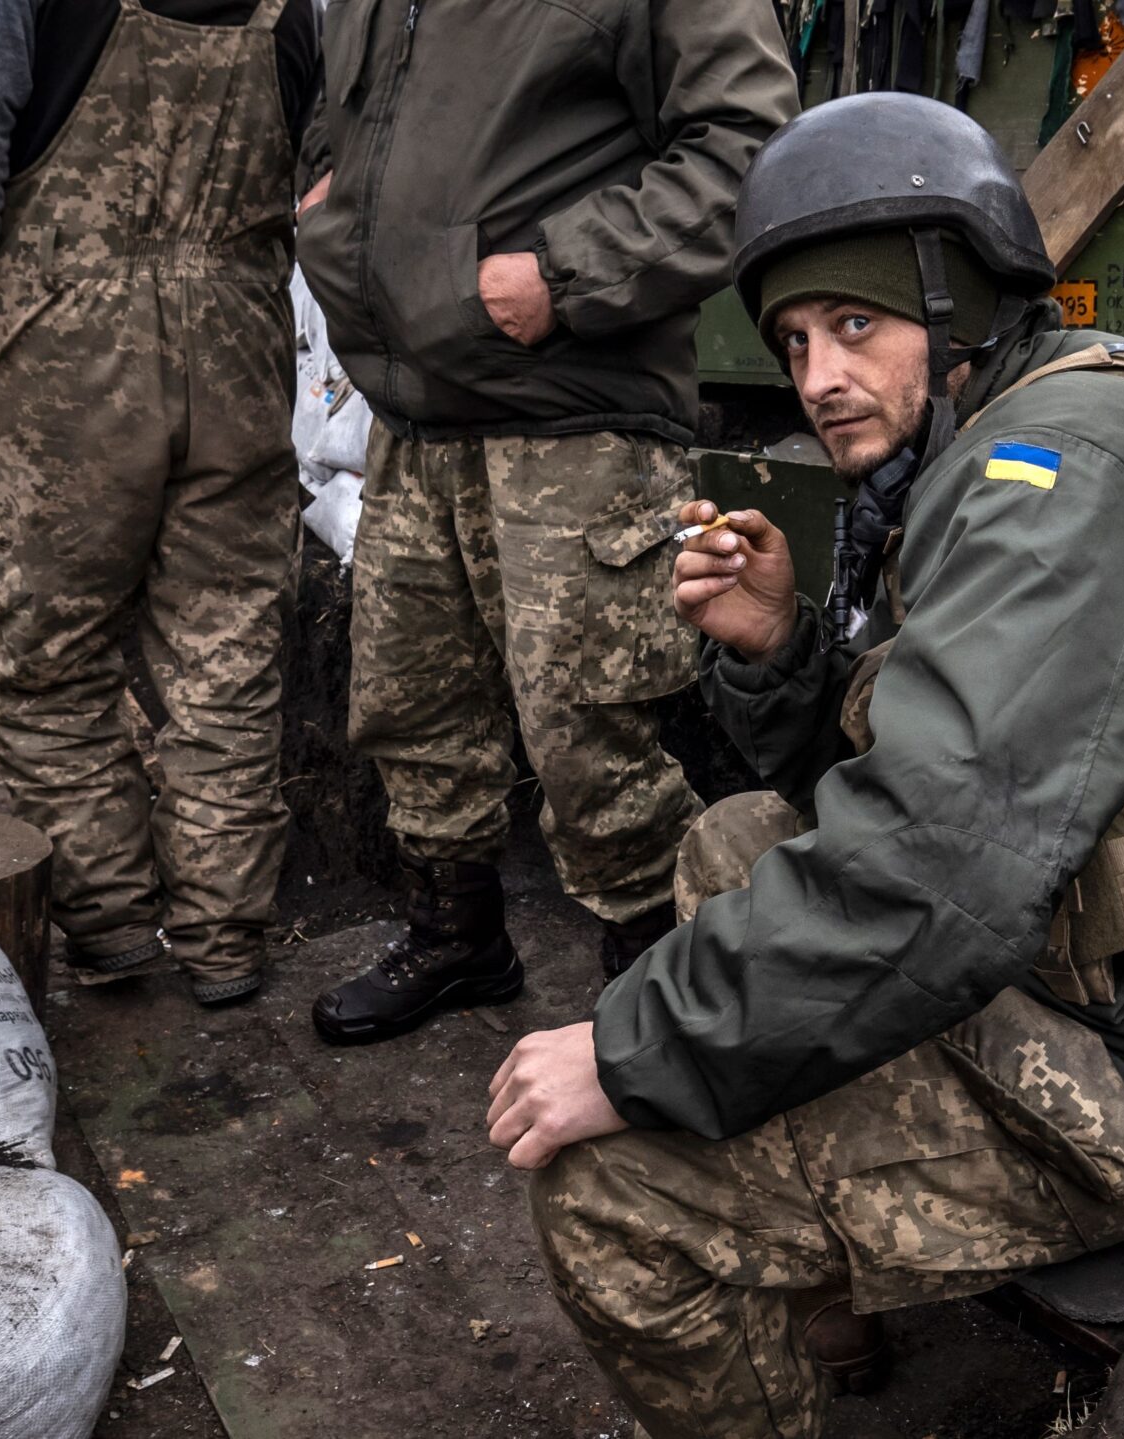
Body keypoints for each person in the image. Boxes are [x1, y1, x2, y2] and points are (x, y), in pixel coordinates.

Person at [486, 94, 1124, 1438]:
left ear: (963, 300)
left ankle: (763, 1252)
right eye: (797, 339)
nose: (816, 377)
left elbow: (938, 859)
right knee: (737, 836)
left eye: (855, 325)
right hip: (1113, 975)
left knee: (613, 1190)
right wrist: (777, 650)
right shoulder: (1017, 438)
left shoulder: (1066, 466)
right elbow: (887, 788)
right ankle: (824, 1290)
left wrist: (632, 1052)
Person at [297, 0, 800, 1045]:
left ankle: (660, 977)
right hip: (415, 412)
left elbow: (749, 150)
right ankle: (456, 935)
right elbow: (347, 123)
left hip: (577, 418)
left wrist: (561, 272)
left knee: (590, 730)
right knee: (411, 702)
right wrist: (331, 206)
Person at [0, 0, 322, 1005]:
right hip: (237, 335)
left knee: (51, 663)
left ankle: (110, 924)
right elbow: (325, 148)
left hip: (61, 342)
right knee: (225, 650)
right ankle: (224, 935)